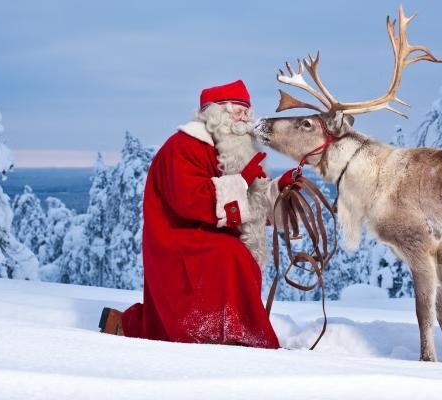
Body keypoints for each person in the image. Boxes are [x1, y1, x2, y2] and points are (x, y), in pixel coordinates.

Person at [98, 80, 298, 348]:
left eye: (246, 112)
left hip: (206, 232)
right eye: (237, 111)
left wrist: (280, 192)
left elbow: (251, 204)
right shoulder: (183, 146)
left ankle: (232, 331)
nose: (244, 119)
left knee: (236, 254)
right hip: (176, 237)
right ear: (215, 113)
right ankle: (223, 334)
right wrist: (241, 181)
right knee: (229, 254)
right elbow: (188, 199)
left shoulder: (233, 150)